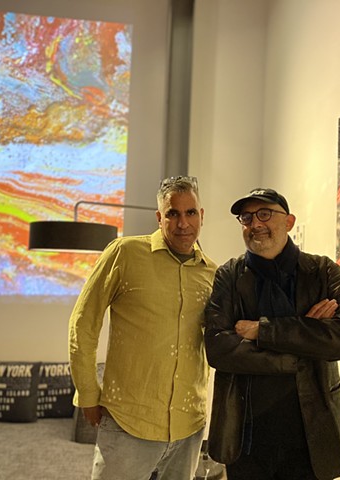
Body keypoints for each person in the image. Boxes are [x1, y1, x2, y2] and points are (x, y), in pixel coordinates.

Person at [204, 188, 340, 480]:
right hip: (246, 434)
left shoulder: (323, 272)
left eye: (264, 214)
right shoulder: (229, 275)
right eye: (246, 218)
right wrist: (301, 346)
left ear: (289, 222)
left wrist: (261, 331)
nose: (255, 224)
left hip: (312, 434)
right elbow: (219, 349)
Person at [68, 176, 217, 480]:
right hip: (128, 422)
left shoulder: (213, 274)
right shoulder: (124, 253)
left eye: (190, 212)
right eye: (173, 213)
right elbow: (83, 323)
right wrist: (88, 393)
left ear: (201, 216)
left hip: (189, 427)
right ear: (159, 217)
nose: (183, 223)